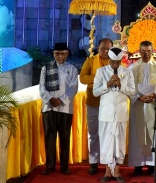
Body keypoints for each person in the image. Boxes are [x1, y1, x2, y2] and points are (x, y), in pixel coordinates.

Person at [93, 47, 135, 183]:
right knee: (106, 142)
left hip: (121, 113)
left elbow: (132, 92)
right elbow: (95, 92)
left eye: (117, 62)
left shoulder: (127, 72)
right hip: (106, 113)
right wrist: (108, 84)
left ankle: (117, 171)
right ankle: (107, 171)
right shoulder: (101, 72)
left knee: (119, 142)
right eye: (112, 62)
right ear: (109, 60)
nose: (115, 65)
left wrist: (121, 85)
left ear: (121, 60)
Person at [40, 43, 79, 175]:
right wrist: (51, 99)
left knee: (65, 137)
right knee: (49, 137)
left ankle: (64, 166)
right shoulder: (46, 68)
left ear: (67, 54)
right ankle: (49, 166)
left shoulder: (72, 69)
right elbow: (41, 87)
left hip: (65, 109)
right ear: (53, 54)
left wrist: (60, 100)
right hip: (48, 107)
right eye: (57, 53)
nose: (60, 56)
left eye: (63, 53)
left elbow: (74, 88)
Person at [128, 40, 156, 176]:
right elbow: (129, 87)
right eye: (143, 51)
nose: (146, 53)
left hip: (152, 103)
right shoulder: (132, 68)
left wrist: (155, 94)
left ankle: (151, 164)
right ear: (139, 51)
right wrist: (138, 97)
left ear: (153, 51)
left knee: (152, 132)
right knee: (137, 133)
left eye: (149, 51)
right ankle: (137, 164)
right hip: (138, 103)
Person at [79, 37, 114, 174]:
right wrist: (99, 78)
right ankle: (93, 161)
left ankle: (107, 161)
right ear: (98, 49)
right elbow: (82, 78)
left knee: (109, 134)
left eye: (108, 49)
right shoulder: (91, 60)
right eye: (102, 48)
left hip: (110, 103)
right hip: (93, 102)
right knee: (93, 133)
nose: (105, 51)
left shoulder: (116, 62)